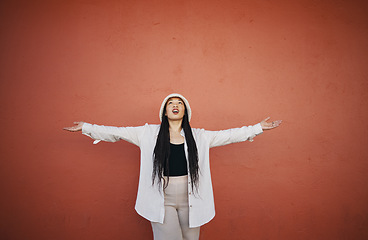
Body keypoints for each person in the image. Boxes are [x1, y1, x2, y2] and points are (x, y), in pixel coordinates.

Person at [63, 93, 282, 240]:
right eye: (171, 103)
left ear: (185, 111)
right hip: (162, 199)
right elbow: (116, 132)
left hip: (191, 197)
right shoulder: (147, 133)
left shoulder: (199, 136)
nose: (175, 106)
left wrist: (257, 127)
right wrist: (87, 127)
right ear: (164, 111)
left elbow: (230, 135)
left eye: (179, 104)